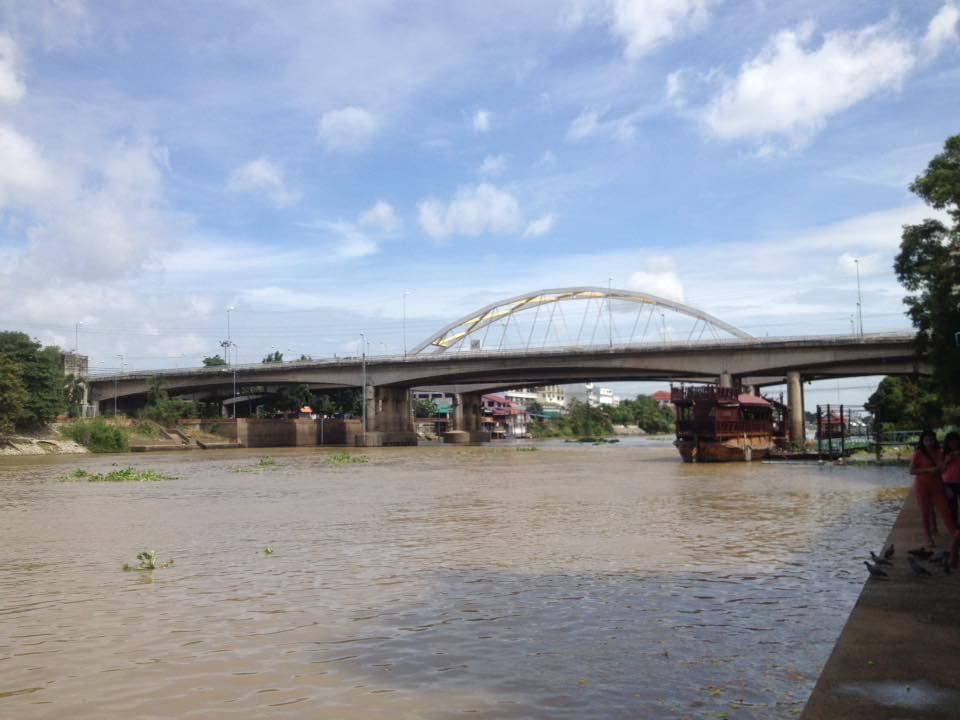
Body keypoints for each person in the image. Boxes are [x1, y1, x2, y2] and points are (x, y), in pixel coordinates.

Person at [909, 430, 957, 548]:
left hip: (937, 486)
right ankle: (928, 537)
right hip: (922, 486)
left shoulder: (939, 452)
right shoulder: (918, 454)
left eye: (931, 440)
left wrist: (946, 461)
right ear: (922, 441)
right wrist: (928, 470)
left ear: (934, 440)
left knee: (945, 511)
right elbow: (911, 471)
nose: (929, 442)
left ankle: (955, 534)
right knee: (925, 512)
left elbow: (942, 469)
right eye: (926, 440)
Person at [941, 431, 960, 528]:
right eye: (951, 442)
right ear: (947, 443)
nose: (953, 444)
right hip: (948, 483)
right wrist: (947, 460)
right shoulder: (943, 453)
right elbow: (940, 469)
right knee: (952, 507)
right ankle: (955, 528)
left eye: (955, 441)